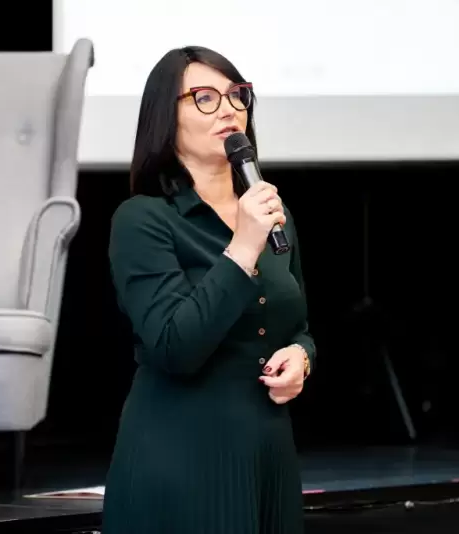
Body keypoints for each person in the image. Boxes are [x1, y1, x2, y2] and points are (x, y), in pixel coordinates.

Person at [101, 45, 316, 534]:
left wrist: (302, 359)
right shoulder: (143, 219)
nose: (228, 109)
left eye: (237, 95)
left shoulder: (272, 215)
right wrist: (241, 247)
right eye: (204, 97)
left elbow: (298, 327)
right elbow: (175, 347)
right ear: (165, 115)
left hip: (267, 456)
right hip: (181, 459)